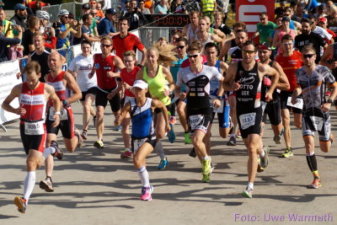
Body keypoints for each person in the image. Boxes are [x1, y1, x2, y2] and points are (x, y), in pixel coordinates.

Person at [2, 61, 61, 214]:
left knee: (30, 162)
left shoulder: (47, 89)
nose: (30, 82)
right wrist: (15, 111)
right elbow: (4, 104)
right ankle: (53, 149)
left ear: (40, 75)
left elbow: (57, 101)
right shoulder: (19, 88)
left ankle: (24, 200)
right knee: (37, 162)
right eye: (28, 79)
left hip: (40, 129)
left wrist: (57, 113)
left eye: (33, 79)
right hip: (25, 129)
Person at [223, 41, 279, 198]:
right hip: (242, 109)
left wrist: (271, 92)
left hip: (256, 109)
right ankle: (263, 152)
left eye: (250, 52)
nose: (247, 55)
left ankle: (250, 186)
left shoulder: (261, 68)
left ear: (255, 53)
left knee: (251, 148)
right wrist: (231, 87)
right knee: (249, 144)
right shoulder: (234, 68)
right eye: (244, 52)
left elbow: (276, 75)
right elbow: (225, 84)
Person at [176, 41, 224, 182]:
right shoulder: (183, 72)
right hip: (192, 109)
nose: (192, 59)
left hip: (205, 108)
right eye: (189, 56)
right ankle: (205, 168)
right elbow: (177, 88)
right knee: (197, 143)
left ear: (200, 56)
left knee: (197, 140)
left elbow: (223, 82)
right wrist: (180, 94)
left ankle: (207, 160)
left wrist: (219, 97)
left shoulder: (210, 70)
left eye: (194, 56)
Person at [291, 44, 337, 189]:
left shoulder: (323, 70)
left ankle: (329, 137)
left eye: (310, 56)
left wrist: (330, 102)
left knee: (325, 149)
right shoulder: (299, 72)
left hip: (322, 112)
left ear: (315, 56)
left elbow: (335, 86)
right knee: (309, 144)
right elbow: (299, 86)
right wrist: (295, 93)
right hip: (307, 113)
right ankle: (316, 177)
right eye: (305, 56)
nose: (307, 58)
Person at [116, 80, 170, 201]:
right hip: (135, 139)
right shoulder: (130, 104)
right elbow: (122, 115)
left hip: (150, 138)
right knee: (138, 163)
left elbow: (164, 108)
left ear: (146, 90)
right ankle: (148, 187)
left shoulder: (152, 102)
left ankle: (146, 189)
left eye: (140, 89)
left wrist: (167, 124)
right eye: (136, 89)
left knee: (137, 159)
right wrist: (118, 120)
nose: (137, 92)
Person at [40, 51, 82, 193]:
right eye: (50, 60)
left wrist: (66, 101)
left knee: (70, 148)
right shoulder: (46, 77)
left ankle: (76, 134)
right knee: (49, 145)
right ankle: (48, 179)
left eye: (54, 60)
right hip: (52, 113)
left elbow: (79, 94)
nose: (52, 63)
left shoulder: (65, 76)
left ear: (60, 62)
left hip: (65, 114)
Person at [136, 46, 175, 169]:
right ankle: (163, 159)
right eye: (148, 56)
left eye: (153, 56)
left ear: (157, 57)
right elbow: (137, 87)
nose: (150, 59)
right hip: (150, 104)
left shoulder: (163, 70)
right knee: (152, 134)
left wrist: (169, 90)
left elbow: (173, 84)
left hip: (164, 103)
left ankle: (169, 126)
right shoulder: (142, 72)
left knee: (159, 133)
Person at [89, 36, 125, 149]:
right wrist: (92, 72)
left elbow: (126, 73)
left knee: (118, 117)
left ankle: (125, 138)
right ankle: (99, 139)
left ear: (111, 47)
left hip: (113, 90)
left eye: (107, 46)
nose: (104, 47)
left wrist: (114, 74)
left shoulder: (115, 59)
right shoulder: (96, 56)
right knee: (99, 113)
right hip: (101, 90)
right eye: (102, 45)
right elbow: (96, 65)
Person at [275, 34, 304, 158]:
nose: (288, 46)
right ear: (281, 45)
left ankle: (324, 132)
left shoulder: (299, 56)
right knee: (285, 119)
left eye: (290, 43)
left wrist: (302, 88)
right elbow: (275, 75)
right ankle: (288, 148)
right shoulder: (278, 58)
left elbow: (307, 72)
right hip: (284, 92)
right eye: (285, 44)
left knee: (298, 123)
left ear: (293, 44)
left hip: (297, 92)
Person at [68, 40, 97, 140]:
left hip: (93, 86)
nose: (86, 50)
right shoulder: (77, 59)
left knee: (86, 106)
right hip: (80, 88)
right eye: (84, 48)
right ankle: (96, 115)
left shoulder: (94, 58)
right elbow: (69, 71)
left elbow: (99, 67)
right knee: (87, 107)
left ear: (91, 48)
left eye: (87, 47)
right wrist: (73, 75)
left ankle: (85, 131)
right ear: (81, 48)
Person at [119, 50, 142, 159]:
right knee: (125, 124)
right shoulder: (123, 72)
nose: (127, 63)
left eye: (129, 61)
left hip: (138, 100)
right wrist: (119, 91)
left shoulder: (139, 71)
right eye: (125, 61)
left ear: (135, 61)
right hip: (128, 100)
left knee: (138, 127)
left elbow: (141, 91)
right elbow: (122, 84)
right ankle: (128, 149)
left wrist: (130, 88)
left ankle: (139, 148)